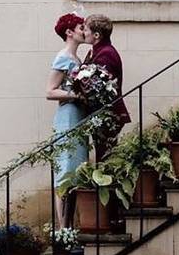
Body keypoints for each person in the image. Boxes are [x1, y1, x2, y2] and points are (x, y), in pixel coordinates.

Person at [46, 13, 88, 228]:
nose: (84, 30)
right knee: (65, 170)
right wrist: (75, 95)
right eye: (81, 27)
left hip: (78, 116)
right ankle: (63, 228)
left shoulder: (77, 60)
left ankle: (69, 225)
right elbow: (50, 91)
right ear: (69, 32)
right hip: (67, 116)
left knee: (77, 172)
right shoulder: (63, 57)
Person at [82, 14, 131, 161]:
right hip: (102, 114)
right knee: (102, 154)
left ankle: (108, 183)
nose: (84, 33)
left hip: (108, 115)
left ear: (96, 35)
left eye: (86, 30)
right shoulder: (96, 51)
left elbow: (101, 87)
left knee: (105, 156)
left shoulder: (106, 54)